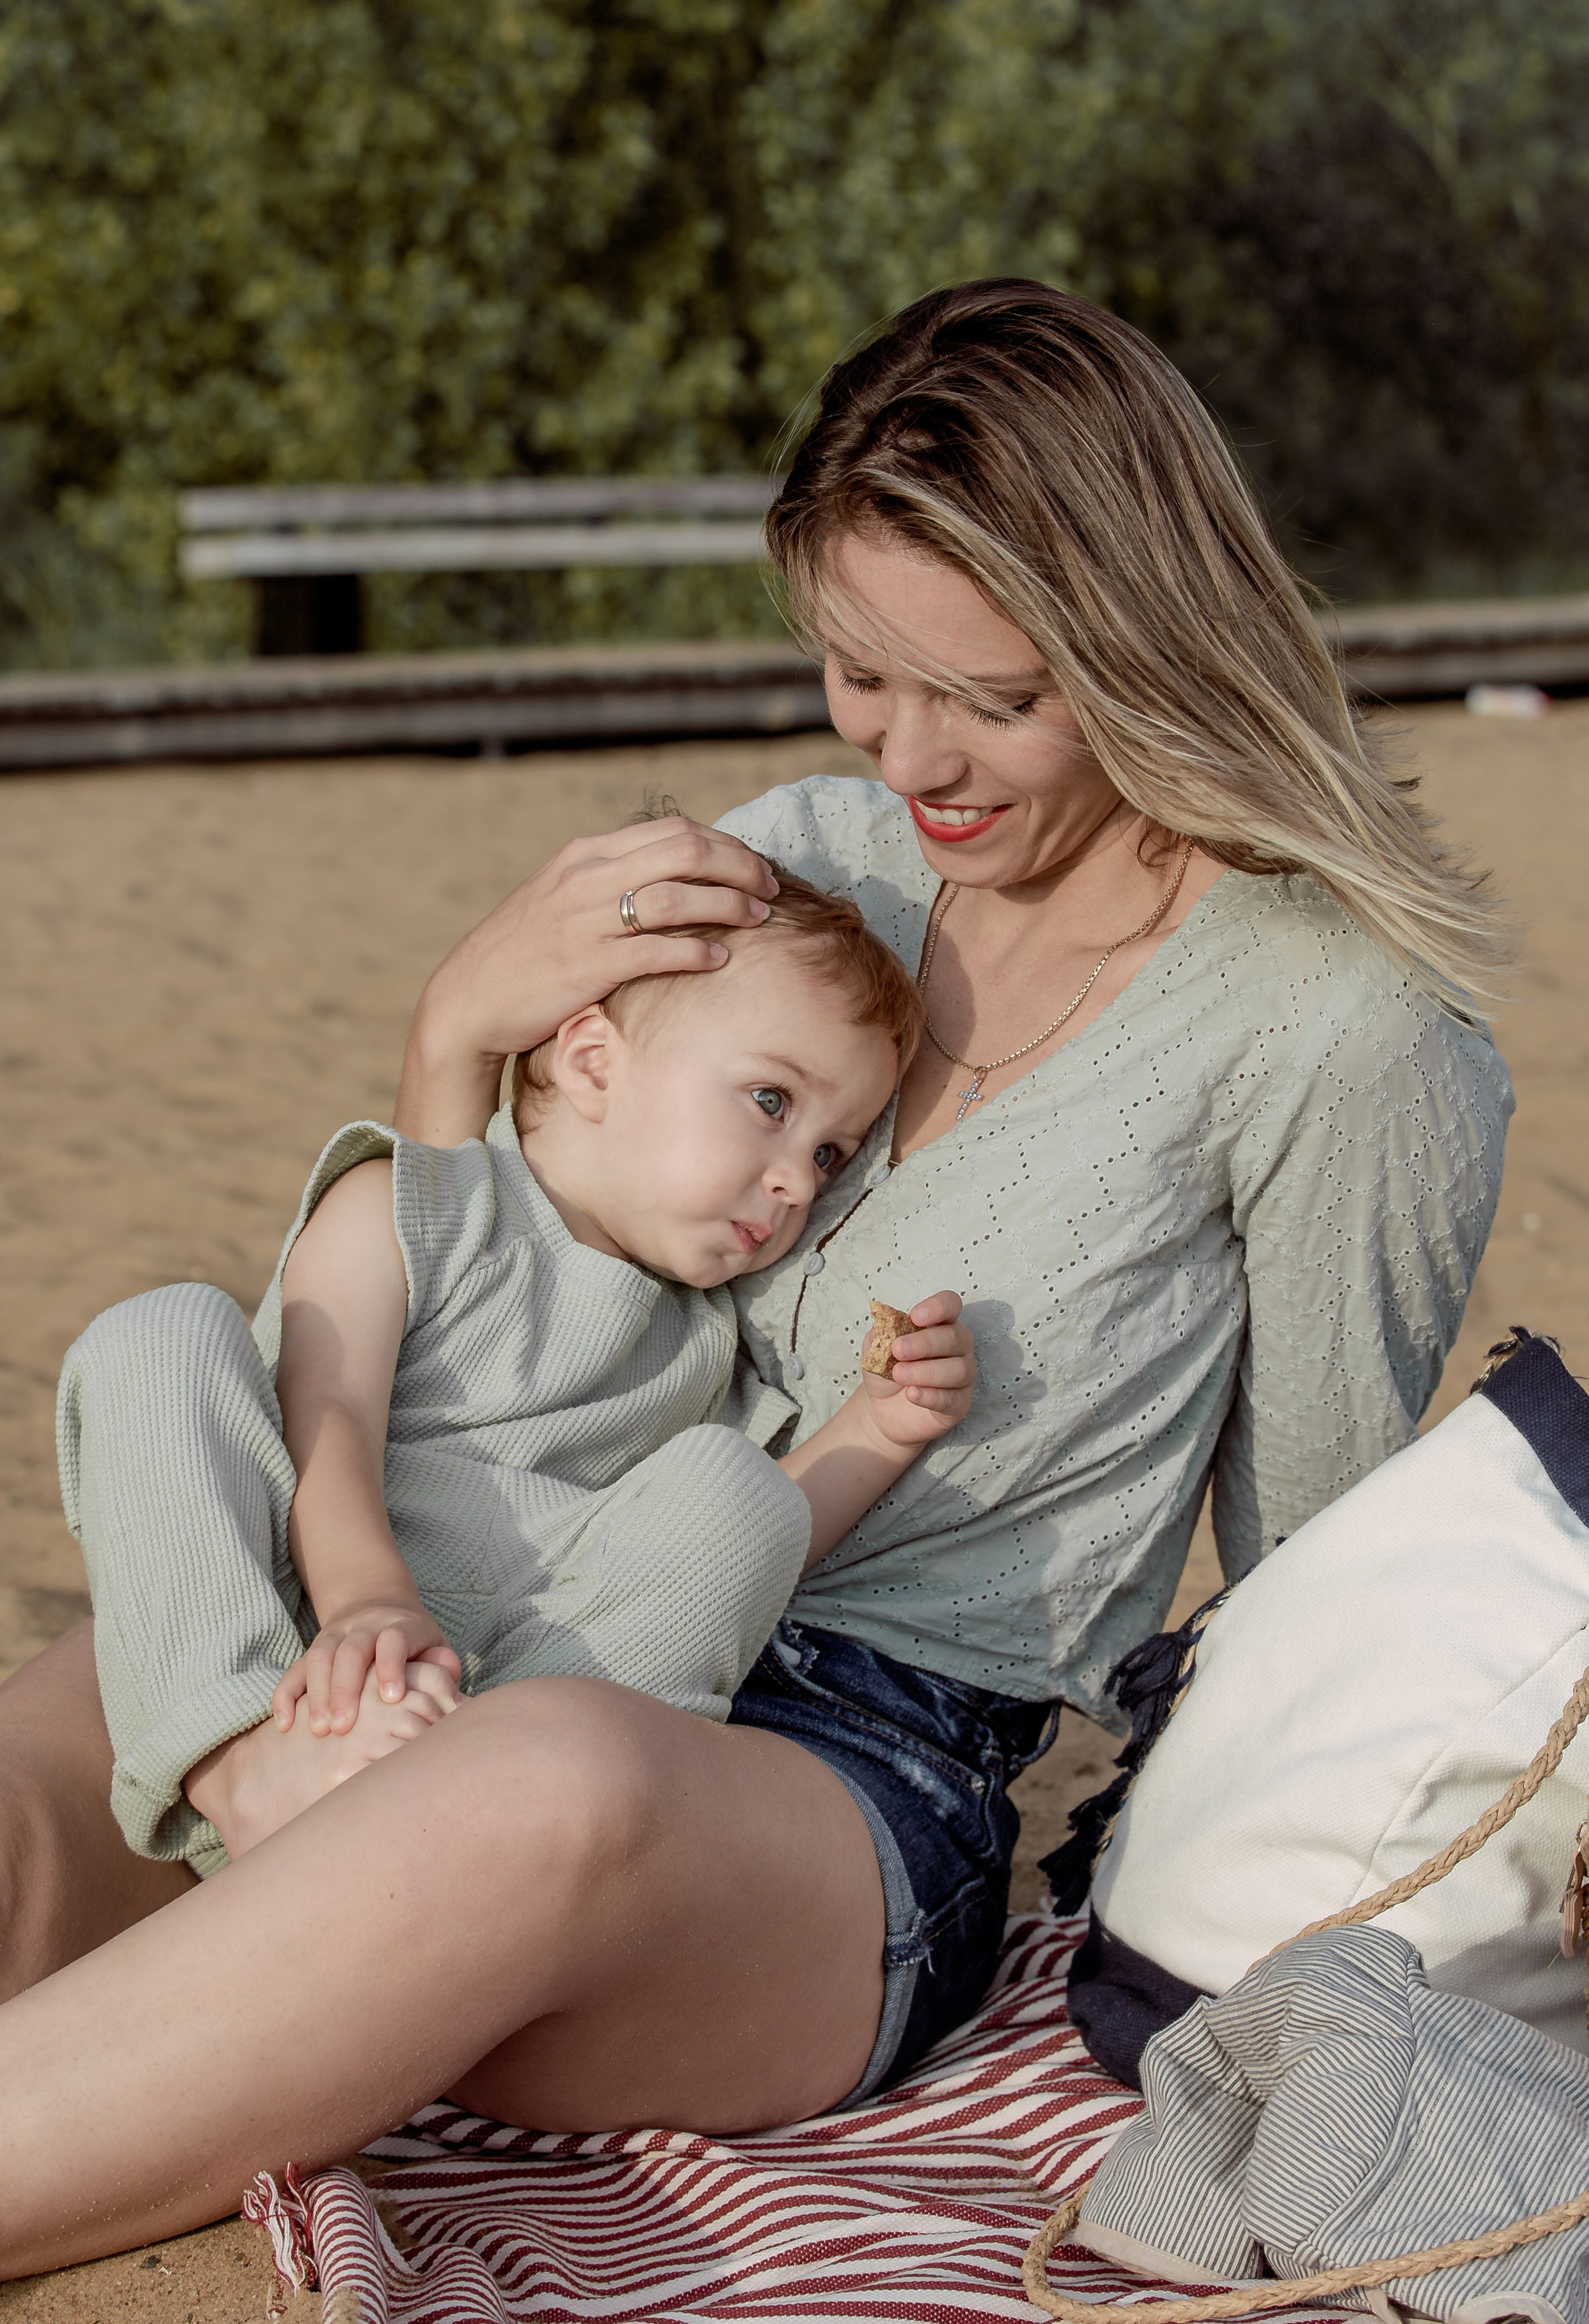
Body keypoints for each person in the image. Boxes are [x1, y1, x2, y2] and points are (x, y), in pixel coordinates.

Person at [0, 279, 1511, 2280]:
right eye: (857, 676)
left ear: (1149, 631)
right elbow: (513, 1276)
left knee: (551, 1778)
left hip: (843, 1797)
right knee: (63, 1729)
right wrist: (456, 1039)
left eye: (987, 693)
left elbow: (1321, 1578)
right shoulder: (805, 856)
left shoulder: (1344, 1029)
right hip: (504, 1590)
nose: (913, 761)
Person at [56, 873, 975, 1873]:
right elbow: (329, 1415)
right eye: (770, 1102)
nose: (799, 1179)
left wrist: (879, 1431)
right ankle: (235, 1761)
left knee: (736, 1498)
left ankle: (476, 1817)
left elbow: (736, 1559)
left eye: (832, 1152)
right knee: (163, 1331)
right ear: (590, 1063)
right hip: (293, 1643)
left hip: (497, 1712)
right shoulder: (417, 1202)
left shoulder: (707, 1346)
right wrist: (367, 1602)